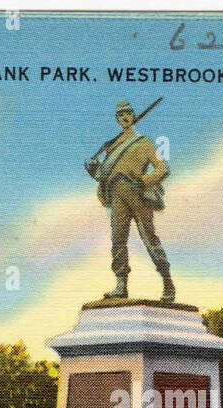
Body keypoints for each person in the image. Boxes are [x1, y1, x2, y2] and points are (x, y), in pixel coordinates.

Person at [89, 100, 174, 301]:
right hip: (116, 195)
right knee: (118, 240)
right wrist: (95, 171)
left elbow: (163, 168)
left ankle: (167, 283)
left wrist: (144, 180)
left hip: (137, 194)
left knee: (149, 237)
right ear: (117, 119)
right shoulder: (109, 147)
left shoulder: (143, 142)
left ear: (133, 116)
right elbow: (103, 175)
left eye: (128, 113)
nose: (125, 117)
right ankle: (121, 285)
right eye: (121, 115)